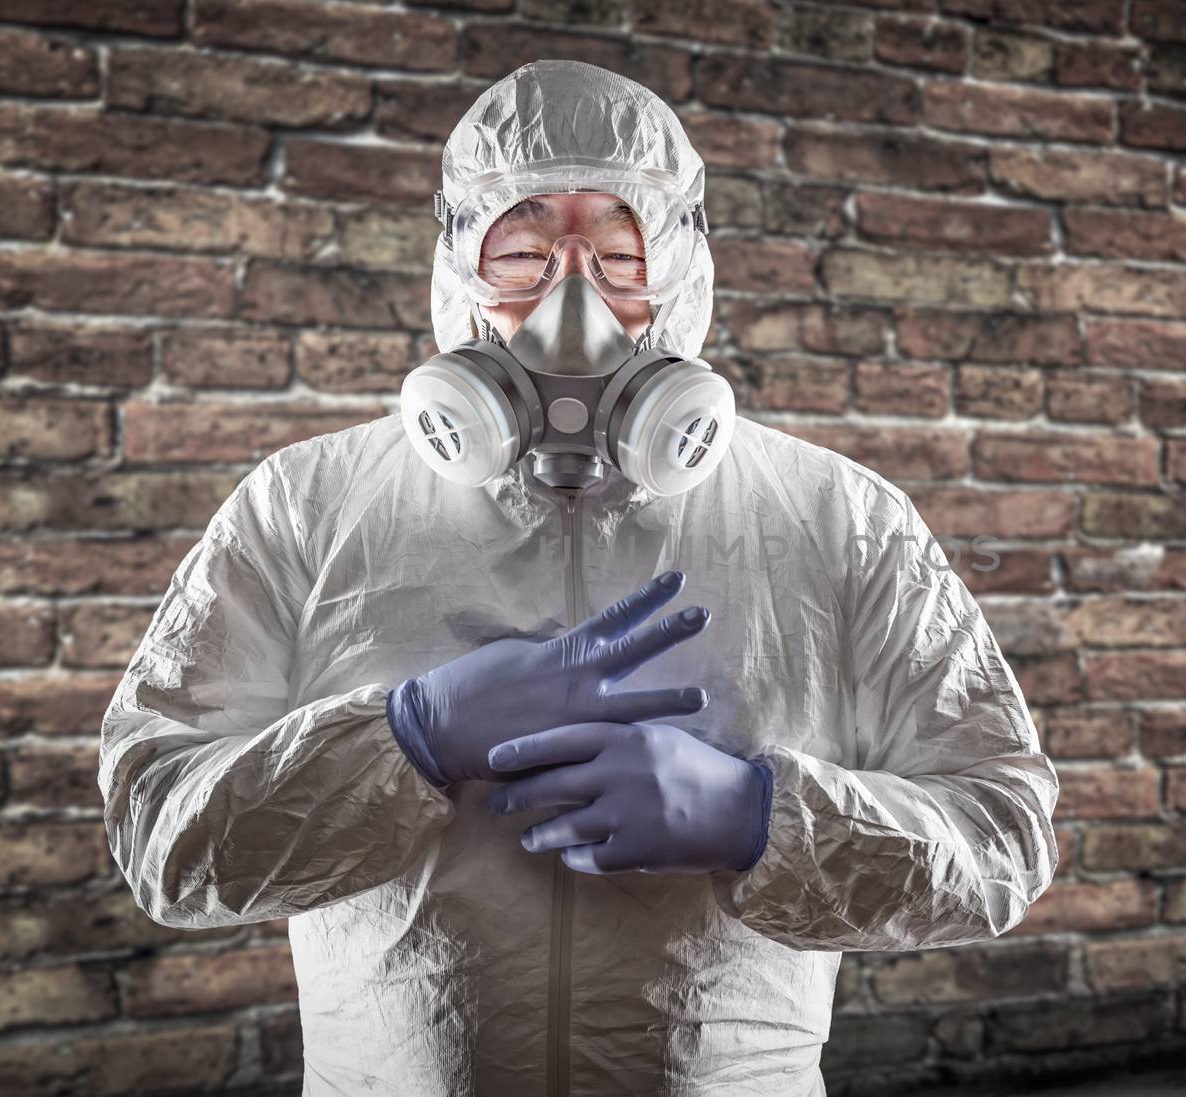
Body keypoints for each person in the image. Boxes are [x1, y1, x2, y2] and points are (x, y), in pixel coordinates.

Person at [98, 58, 1060, 1096]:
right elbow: (159, 832)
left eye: (617, 251)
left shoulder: (840, 517)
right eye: (521, 249)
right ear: (457, 264)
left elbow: (1001, 836)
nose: (572, 301)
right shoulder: (304, 503)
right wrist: (403, 735)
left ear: (683, 271)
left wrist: (756, 817)